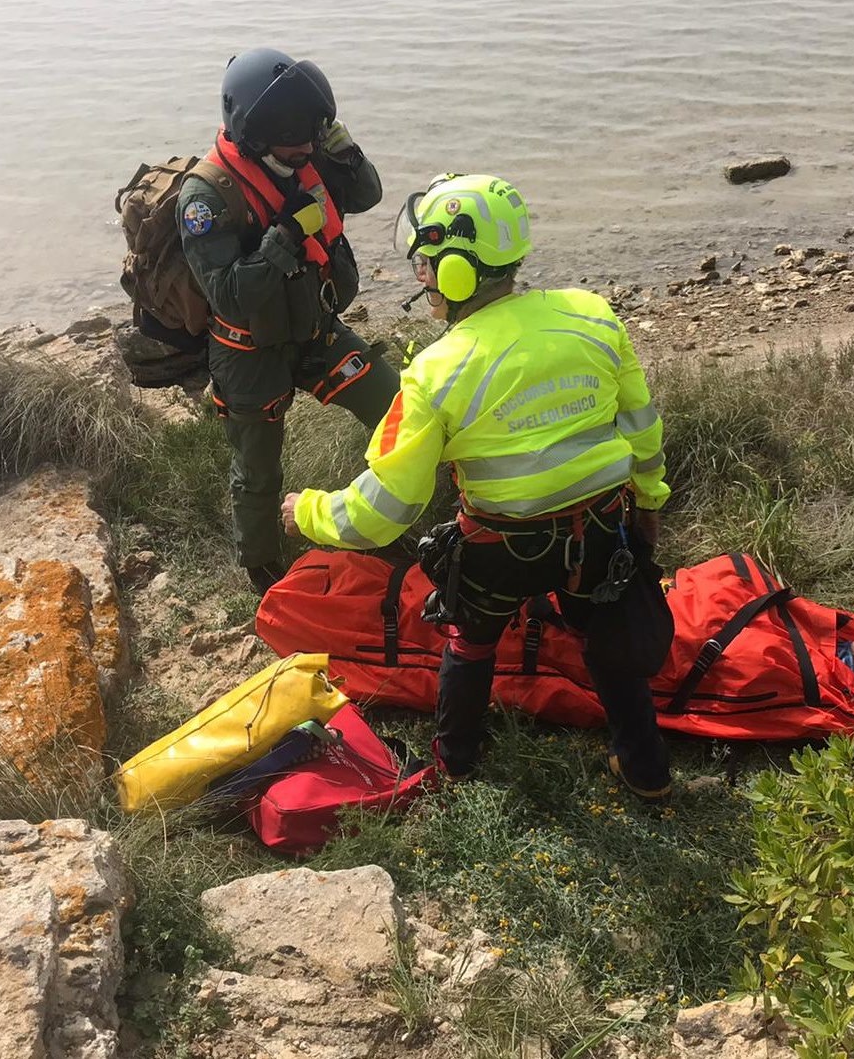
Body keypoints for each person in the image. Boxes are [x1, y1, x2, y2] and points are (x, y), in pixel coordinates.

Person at [280, 173, 676, 799]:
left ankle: (457, 764)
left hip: (505, 551)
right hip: (603, 531)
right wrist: (649, 505)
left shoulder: (435, 372)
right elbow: (641, 429)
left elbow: (383, 512)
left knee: (469, 640)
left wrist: (308, 512)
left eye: (429, 265)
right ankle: (646, 771)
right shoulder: (593, 316)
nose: (424, 279)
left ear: (459, 270)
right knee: (610, 639)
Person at [178, 47, 401, 594]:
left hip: (315, 330)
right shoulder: (207, 196)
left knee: (398, 409)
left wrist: (344, 152)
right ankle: (262, 570)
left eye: (312, 135)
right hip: (249, 350)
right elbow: (229, 294)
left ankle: (390, 518)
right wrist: (284, 237)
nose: (304, 149)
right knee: (258, 473)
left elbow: (367, 194)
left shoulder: (307, 155)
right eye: (293, 141)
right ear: (252, 133)